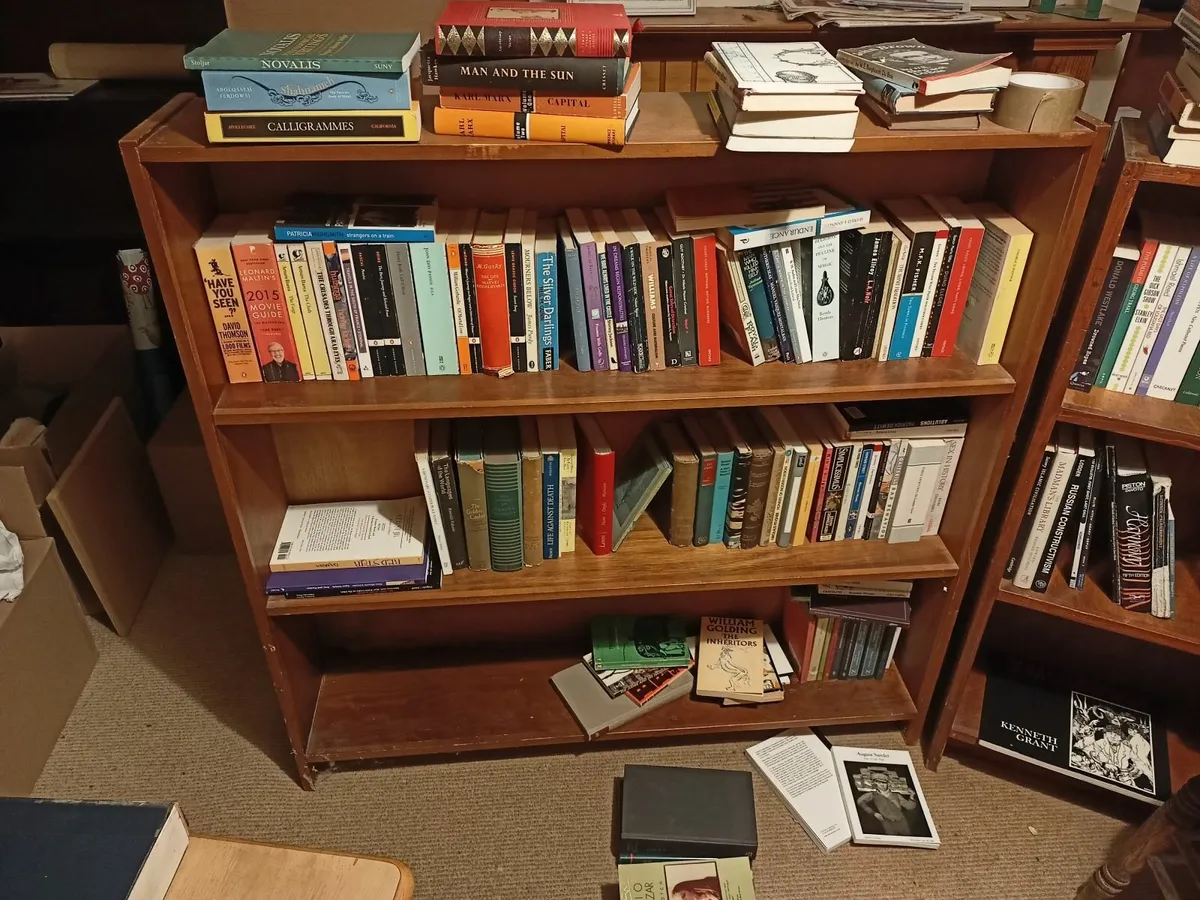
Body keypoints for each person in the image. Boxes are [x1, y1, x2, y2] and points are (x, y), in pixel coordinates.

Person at [856, 771, 918, 836]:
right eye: (878, 782)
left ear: (888, 783)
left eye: (884, 782)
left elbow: (910, 807)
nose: (881, 784)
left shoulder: (896, 795)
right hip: (887, 823)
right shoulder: (872, 794)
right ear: (875, 783)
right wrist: (873, 813)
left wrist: (912, 796)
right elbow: (860, 801)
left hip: (902, 822)